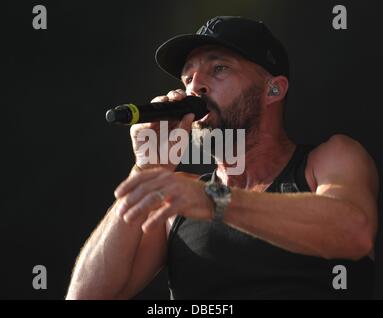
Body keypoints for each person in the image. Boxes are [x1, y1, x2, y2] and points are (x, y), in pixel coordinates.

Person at [66, 16, 379, 299]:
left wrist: (216, 200)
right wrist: (146, 169)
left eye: (219, 69)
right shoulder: (178, 199)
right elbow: (87, 296)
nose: (195, 87)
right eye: (187, 78)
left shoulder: (327, 161)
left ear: (273, 90)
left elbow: (354, 232)